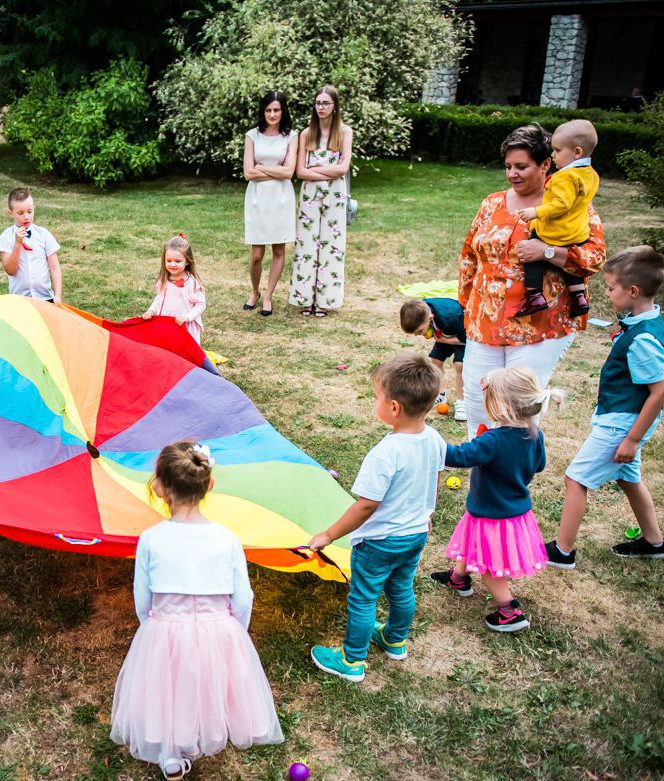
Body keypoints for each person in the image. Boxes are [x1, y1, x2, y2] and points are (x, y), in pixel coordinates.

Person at [110, 441, 284, 779]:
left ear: (160, 488)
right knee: (206, 682)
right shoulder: (227, 538)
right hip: (219, 626)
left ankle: (170, 754)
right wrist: (235, 632)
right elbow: (243, 596)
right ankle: (201, 732)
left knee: (168, 686)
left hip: (165, 627)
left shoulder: (151, 538)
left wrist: (151, 627)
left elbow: (142, 596)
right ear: (210, 485)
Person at [458, 123, 607, 440]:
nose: (512, 174)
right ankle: (481, 475)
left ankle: (513, 481)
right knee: (476, 399)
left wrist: (548, 251)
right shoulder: (492, 203)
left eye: (522, 166)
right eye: (508, 166)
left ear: (545, 164)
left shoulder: (571, 205)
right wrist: (466, 306)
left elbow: (595, 257)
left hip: (540, 323)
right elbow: (469, 254)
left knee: (517, 407)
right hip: (485, 321)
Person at [308, 354, 446, 682]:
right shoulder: (435, 441)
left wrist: (328, 535)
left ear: (394, 407)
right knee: (401, 588)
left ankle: (351, 660)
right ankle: (395, 640)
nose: (376, 403)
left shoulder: (385, 454)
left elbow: (365, 506)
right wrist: (427, 513)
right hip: (414, 535)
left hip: (379, 541)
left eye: (377, 397)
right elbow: (433, 482)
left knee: (364, 597)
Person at [547, 246, 664, 570]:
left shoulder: (643, 337)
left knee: (576, 479)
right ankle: (655, 542)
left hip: (623, 423)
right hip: (623, 419)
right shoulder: (643, 321)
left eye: (611, 288)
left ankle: (563, 551)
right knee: (629, 478)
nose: (607, 292)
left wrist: (631, 439)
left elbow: (657, 393)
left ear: (633, 291)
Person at [429, 367, 560, 633]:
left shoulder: (493, 440)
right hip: (514, 509)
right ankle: (458, 578)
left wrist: (431, 442)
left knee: (489, 563)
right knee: (472, 544)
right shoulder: (535, 434)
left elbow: (458, 456)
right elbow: (539, 466)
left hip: (493, 513)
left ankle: (509, 610)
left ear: (500, 405)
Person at [511, 119, 599, 319]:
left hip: (556, 230)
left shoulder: (564, 177)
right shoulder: (590, 174)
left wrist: (537, 212)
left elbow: (561, 205)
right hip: (576, 232)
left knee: (531, 250)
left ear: (576, 152)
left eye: (557, 151)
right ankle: (578, 296)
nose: (554, 154)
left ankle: (534, 295)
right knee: (567, 262)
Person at [290, 85, 352, 317]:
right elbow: (301, 172)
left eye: (326, 103)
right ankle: (305, 298)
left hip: (335, 195)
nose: (321, 108)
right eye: (318, 103)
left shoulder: (344, 132)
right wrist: (328, 171)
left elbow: (343, 168)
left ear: (335, 106)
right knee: (307, 243)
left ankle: (326, 300)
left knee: (331, 245)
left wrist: (318, 167)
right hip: (310, 195)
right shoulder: (307, 134)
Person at [242, 90, 298, 317]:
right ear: (262, 111)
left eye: (276, 110)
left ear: (282, 111)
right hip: (257, 198)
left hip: (281, 198)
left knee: (278, 249)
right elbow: (248, 173)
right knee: (256, 253)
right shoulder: (252, 136)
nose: (272, 114)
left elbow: (289, 172)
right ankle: (254, 291)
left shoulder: (292, 136)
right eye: (268, 110)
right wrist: (275, 170)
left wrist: (262, 168)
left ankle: (268, 296)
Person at [399, 297, 467, 421]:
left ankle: (462, 402)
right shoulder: (421, 310)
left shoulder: (452, 316)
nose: (417, 335)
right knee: (435, 361)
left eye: (419, 331)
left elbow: (466, 338)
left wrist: (445, 340)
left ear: (430, 318)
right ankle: (440, 394)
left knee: (460, 366)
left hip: (462, 335)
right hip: (444, 332)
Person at [0, 187, 63, 303]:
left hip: (45, 298)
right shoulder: (5, 237)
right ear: (10, 213)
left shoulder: (44, 235)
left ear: (34, 209)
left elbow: (55, 267)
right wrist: (17, 244)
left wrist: (57, 295)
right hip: (19, 300)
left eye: (29, 211)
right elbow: (10, 270)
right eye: (20, 213)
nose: (26, 216)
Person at [141, 233, 206, 345]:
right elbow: (159, 298)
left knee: (186, 353)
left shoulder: (192, 283)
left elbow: (200, 305)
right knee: (167, 349)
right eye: (169, 260)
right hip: (166, 323)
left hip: (184, 325)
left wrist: (187, 317)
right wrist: (151, 310)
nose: (172, 264)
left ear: (187, 261)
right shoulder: (165, 279)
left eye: (177, 261)